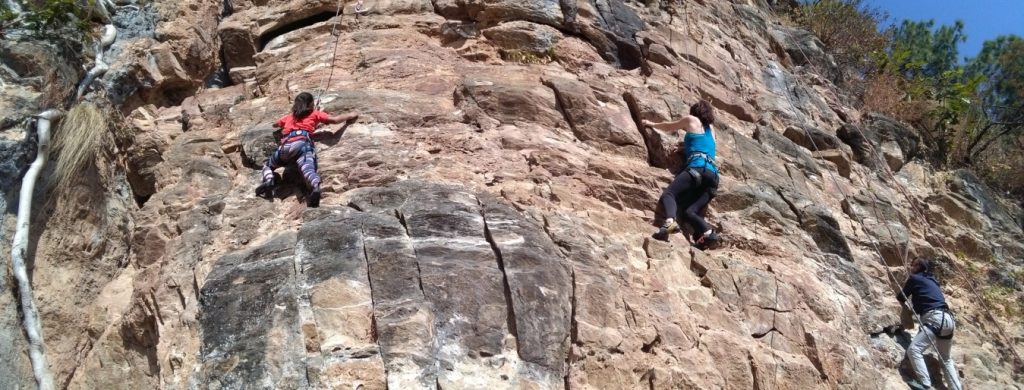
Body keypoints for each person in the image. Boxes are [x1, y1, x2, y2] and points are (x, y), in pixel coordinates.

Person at [255, 92, 358, 207]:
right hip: (302, 145)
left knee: (268, 165)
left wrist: (289, 118)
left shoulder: (289, 117)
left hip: (285, 146)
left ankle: (269, 180)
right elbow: (334, 120)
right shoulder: (315, 113)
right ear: (310, 104)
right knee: (307, 169)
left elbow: (275, 125)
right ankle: (315, 187)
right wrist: (351, 115)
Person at [642, 100, 720, 249]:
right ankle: (709, 234)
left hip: (697, 169)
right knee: (690, 212)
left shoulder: (691, 120)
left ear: (695, 112)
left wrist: (651, 124)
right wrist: (686, 149)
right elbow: (705, 146)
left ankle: (670, 222)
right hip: (713, 177)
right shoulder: (711, 129)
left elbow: (668, 126)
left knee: (669, 194)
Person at [899, 257, 962, 390]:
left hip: (934, 318)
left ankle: (925, 385)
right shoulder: (933, 281)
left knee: (914, 350)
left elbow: (901, 296)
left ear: (919, 267)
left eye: (913, 264)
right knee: (945, 359)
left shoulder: (914, 278)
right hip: (948, 319)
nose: (911, 267)